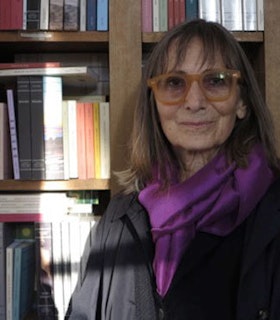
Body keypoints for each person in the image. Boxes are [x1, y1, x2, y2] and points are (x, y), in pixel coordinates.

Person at [67, 19, 280, 320]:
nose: (194, 102)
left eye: (216, 80)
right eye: (174, 83)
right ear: (154, 102)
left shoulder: (273, 209)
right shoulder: (116, 221)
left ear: (242, 101)